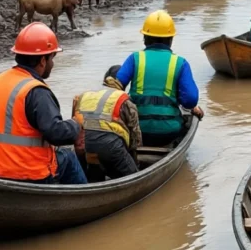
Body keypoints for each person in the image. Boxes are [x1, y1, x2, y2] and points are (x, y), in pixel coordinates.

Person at [0, 22, 87, 185]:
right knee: (69, 157)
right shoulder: (36, 91)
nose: (52, 64)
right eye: (52, 58)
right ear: (43, 60)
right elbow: (55, 133)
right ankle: (83, 203)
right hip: (27, 174)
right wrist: (75, 124)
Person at [115, 11, 204, 147]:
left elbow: (114, 89)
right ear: (171, 39)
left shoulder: (135, 58)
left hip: (136, 129)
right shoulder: (180, 62)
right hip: (169, 131)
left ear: (145, 37)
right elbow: (190, 100)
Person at [72, 65, 142, 182]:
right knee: (135, 178)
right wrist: (134, 163)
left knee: (92, 175)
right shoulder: (124, 99)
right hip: (110, 146)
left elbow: (73, 125)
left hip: (83, 146)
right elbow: (135, 139)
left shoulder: (84, 95)